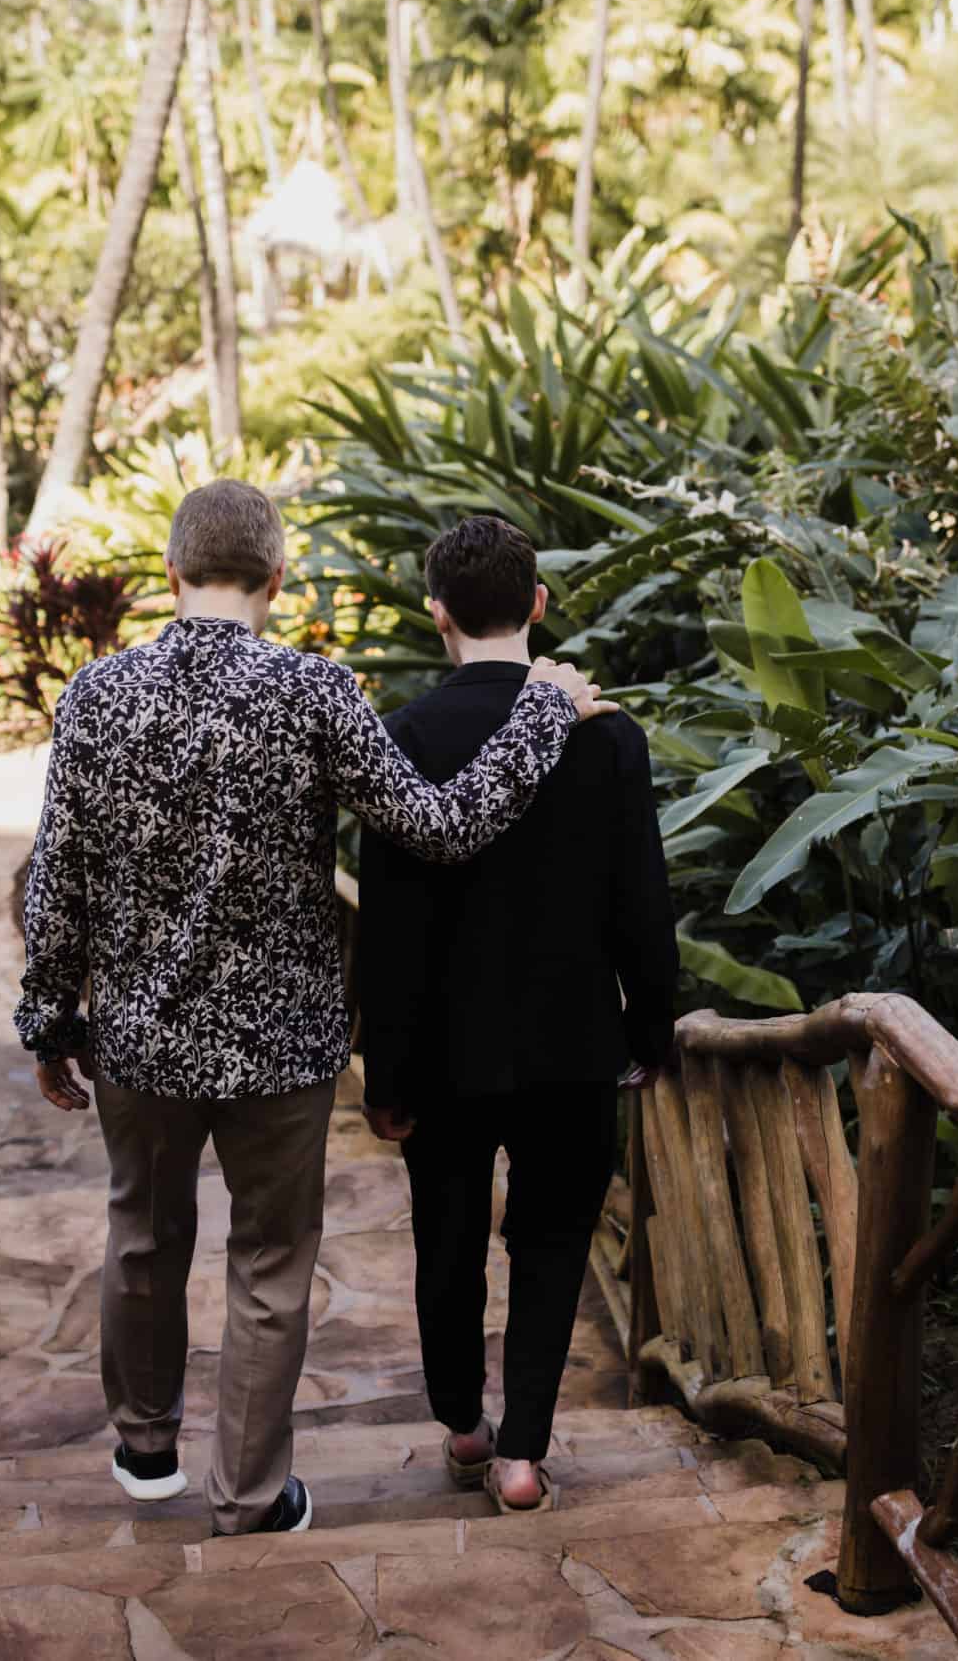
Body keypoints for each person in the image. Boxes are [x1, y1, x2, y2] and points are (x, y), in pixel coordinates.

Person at [13, 480, 616, 1537]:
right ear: (277, 579)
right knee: (268, 1260)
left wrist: (49, 1015)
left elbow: (55, 874)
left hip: (142, 1039)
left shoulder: (96, 695)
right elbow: (438, 826)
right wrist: (543, 711)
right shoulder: (313, 690)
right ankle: (247, 1494)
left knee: (142, 1236)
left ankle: (145, 1448)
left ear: (170, 574)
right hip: (280, 1047)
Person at [356, 514, 678, 1515]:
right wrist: (650, 1030)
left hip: (444, 1055)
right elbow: (642, 903)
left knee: (444, 1239)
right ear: (538, 603)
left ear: (436, 610)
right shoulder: (608, 734)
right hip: (571, 1043)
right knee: (551, 1243)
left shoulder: (403, 736)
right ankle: (524, 1456)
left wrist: (386, 1069)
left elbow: (388, 928)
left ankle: (461, 1422)